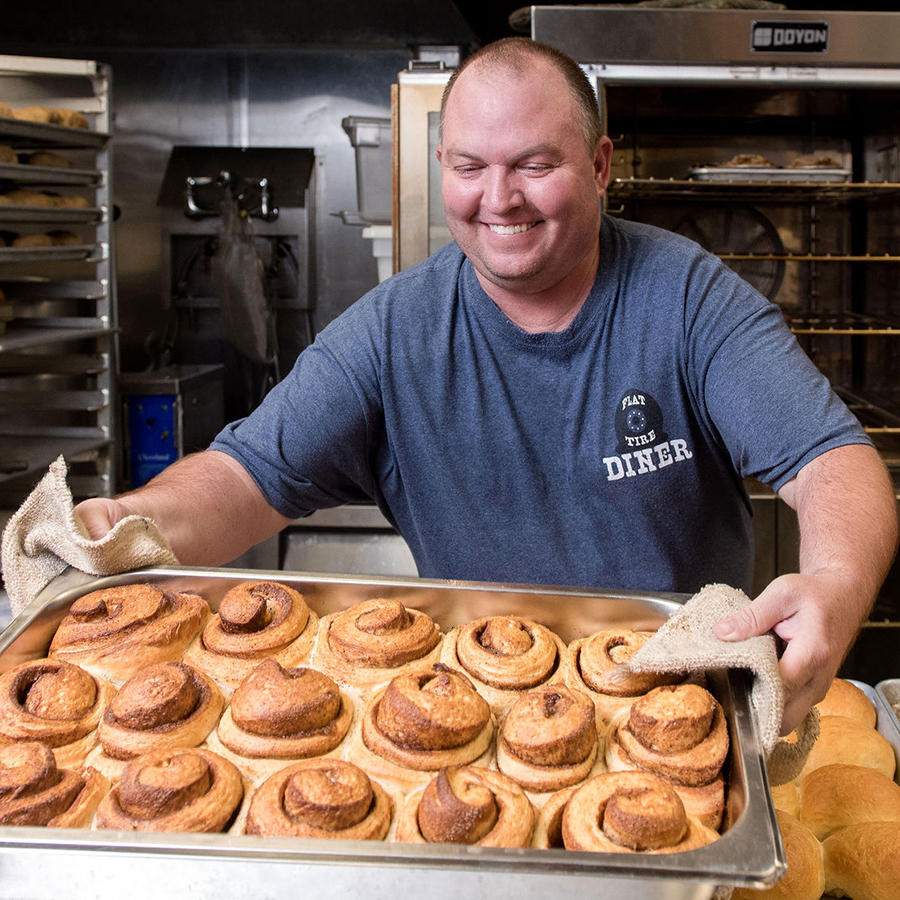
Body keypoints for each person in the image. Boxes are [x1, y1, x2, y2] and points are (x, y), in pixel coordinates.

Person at [75, 37, 897, 735]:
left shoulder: (686, 298)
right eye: (470, 166)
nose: (498, 199)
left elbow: (833, 459)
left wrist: (833, 584)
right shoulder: (394, 332)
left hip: (679, 720)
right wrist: (118, 526)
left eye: (535, 165)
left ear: (600, 164)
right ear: (443, 163)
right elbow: (243, 477)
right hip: (472, 723)